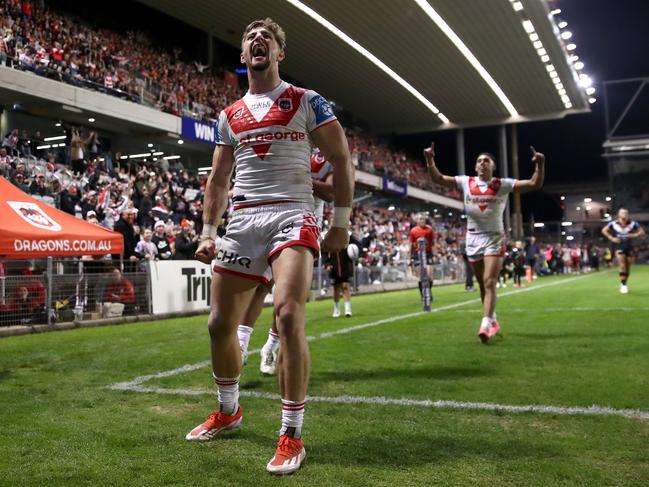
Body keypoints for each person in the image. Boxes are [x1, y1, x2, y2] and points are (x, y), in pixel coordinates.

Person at [188, 18, 354, 475]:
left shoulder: (306, 100)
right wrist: (207, 231)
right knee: (219, 323)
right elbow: (219, 180)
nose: (258, 40)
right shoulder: (229, 115)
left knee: (287, 313)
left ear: (281, 53)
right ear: (242, 55)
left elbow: (340, 157)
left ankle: (291, 435)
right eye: (249, 37)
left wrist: (340, 222)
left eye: (268, 38)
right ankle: (229, 410)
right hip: (243, 220)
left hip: (292, 213)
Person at [424, 142, 545, 343]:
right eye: (479, 161)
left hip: (494, 238)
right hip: (472, 238)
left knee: (490, 281)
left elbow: (534, 184)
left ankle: (486, 322)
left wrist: (540, 166)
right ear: (475, 167)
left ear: (493, 167)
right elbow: (438, 178)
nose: (482, 164)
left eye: (486, 161)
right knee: (482, 284)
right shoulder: (465, 182)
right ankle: (493, 319)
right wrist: (429, 160)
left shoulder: (502, 184)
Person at [239, 148, 335, 376]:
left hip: (303, 223)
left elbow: (331, 192)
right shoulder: (281, 140)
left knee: (287, 295)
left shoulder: (324, 155)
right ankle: (241, 343)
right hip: (270, 216)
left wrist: (300, 176)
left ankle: (269, 347)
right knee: (260, 286)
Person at [601, 208, 645, 293]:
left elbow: (642, 232)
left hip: (629, 246)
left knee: (628, 267)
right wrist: (611, 238)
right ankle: (624, 285)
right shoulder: (613, 223)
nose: (624, 214)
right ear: (619, 214)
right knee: (622, 264)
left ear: (628, 215)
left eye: (626, 213)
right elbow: (604, 230)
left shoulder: (633, 224)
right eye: (622, 213)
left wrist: (634, 235)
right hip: (619, 245)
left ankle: (624, 282)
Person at [326, 233, 361, 318]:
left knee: (345, 286)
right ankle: (336, 309)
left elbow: (358, 244)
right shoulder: (329, 237)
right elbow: (324, 251)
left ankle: (348, 309)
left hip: (345, 264)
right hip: (333, 265)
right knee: (336, 288)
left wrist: (358, 255)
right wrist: (327, 263)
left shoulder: (348, 235)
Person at [409, 214, 435, 301]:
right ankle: (423, 295)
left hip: (428, 254)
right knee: (421, 277)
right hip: (417, 254)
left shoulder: (429, 229)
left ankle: (429, 291)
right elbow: (411, 245)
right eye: (420, 219)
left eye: (423, 219)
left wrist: (434, 254)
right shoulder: (413, 231)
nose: (422, 221)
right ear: (417, 221)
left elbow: (432, 242)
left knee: (429, 276)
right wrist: (410, 257)